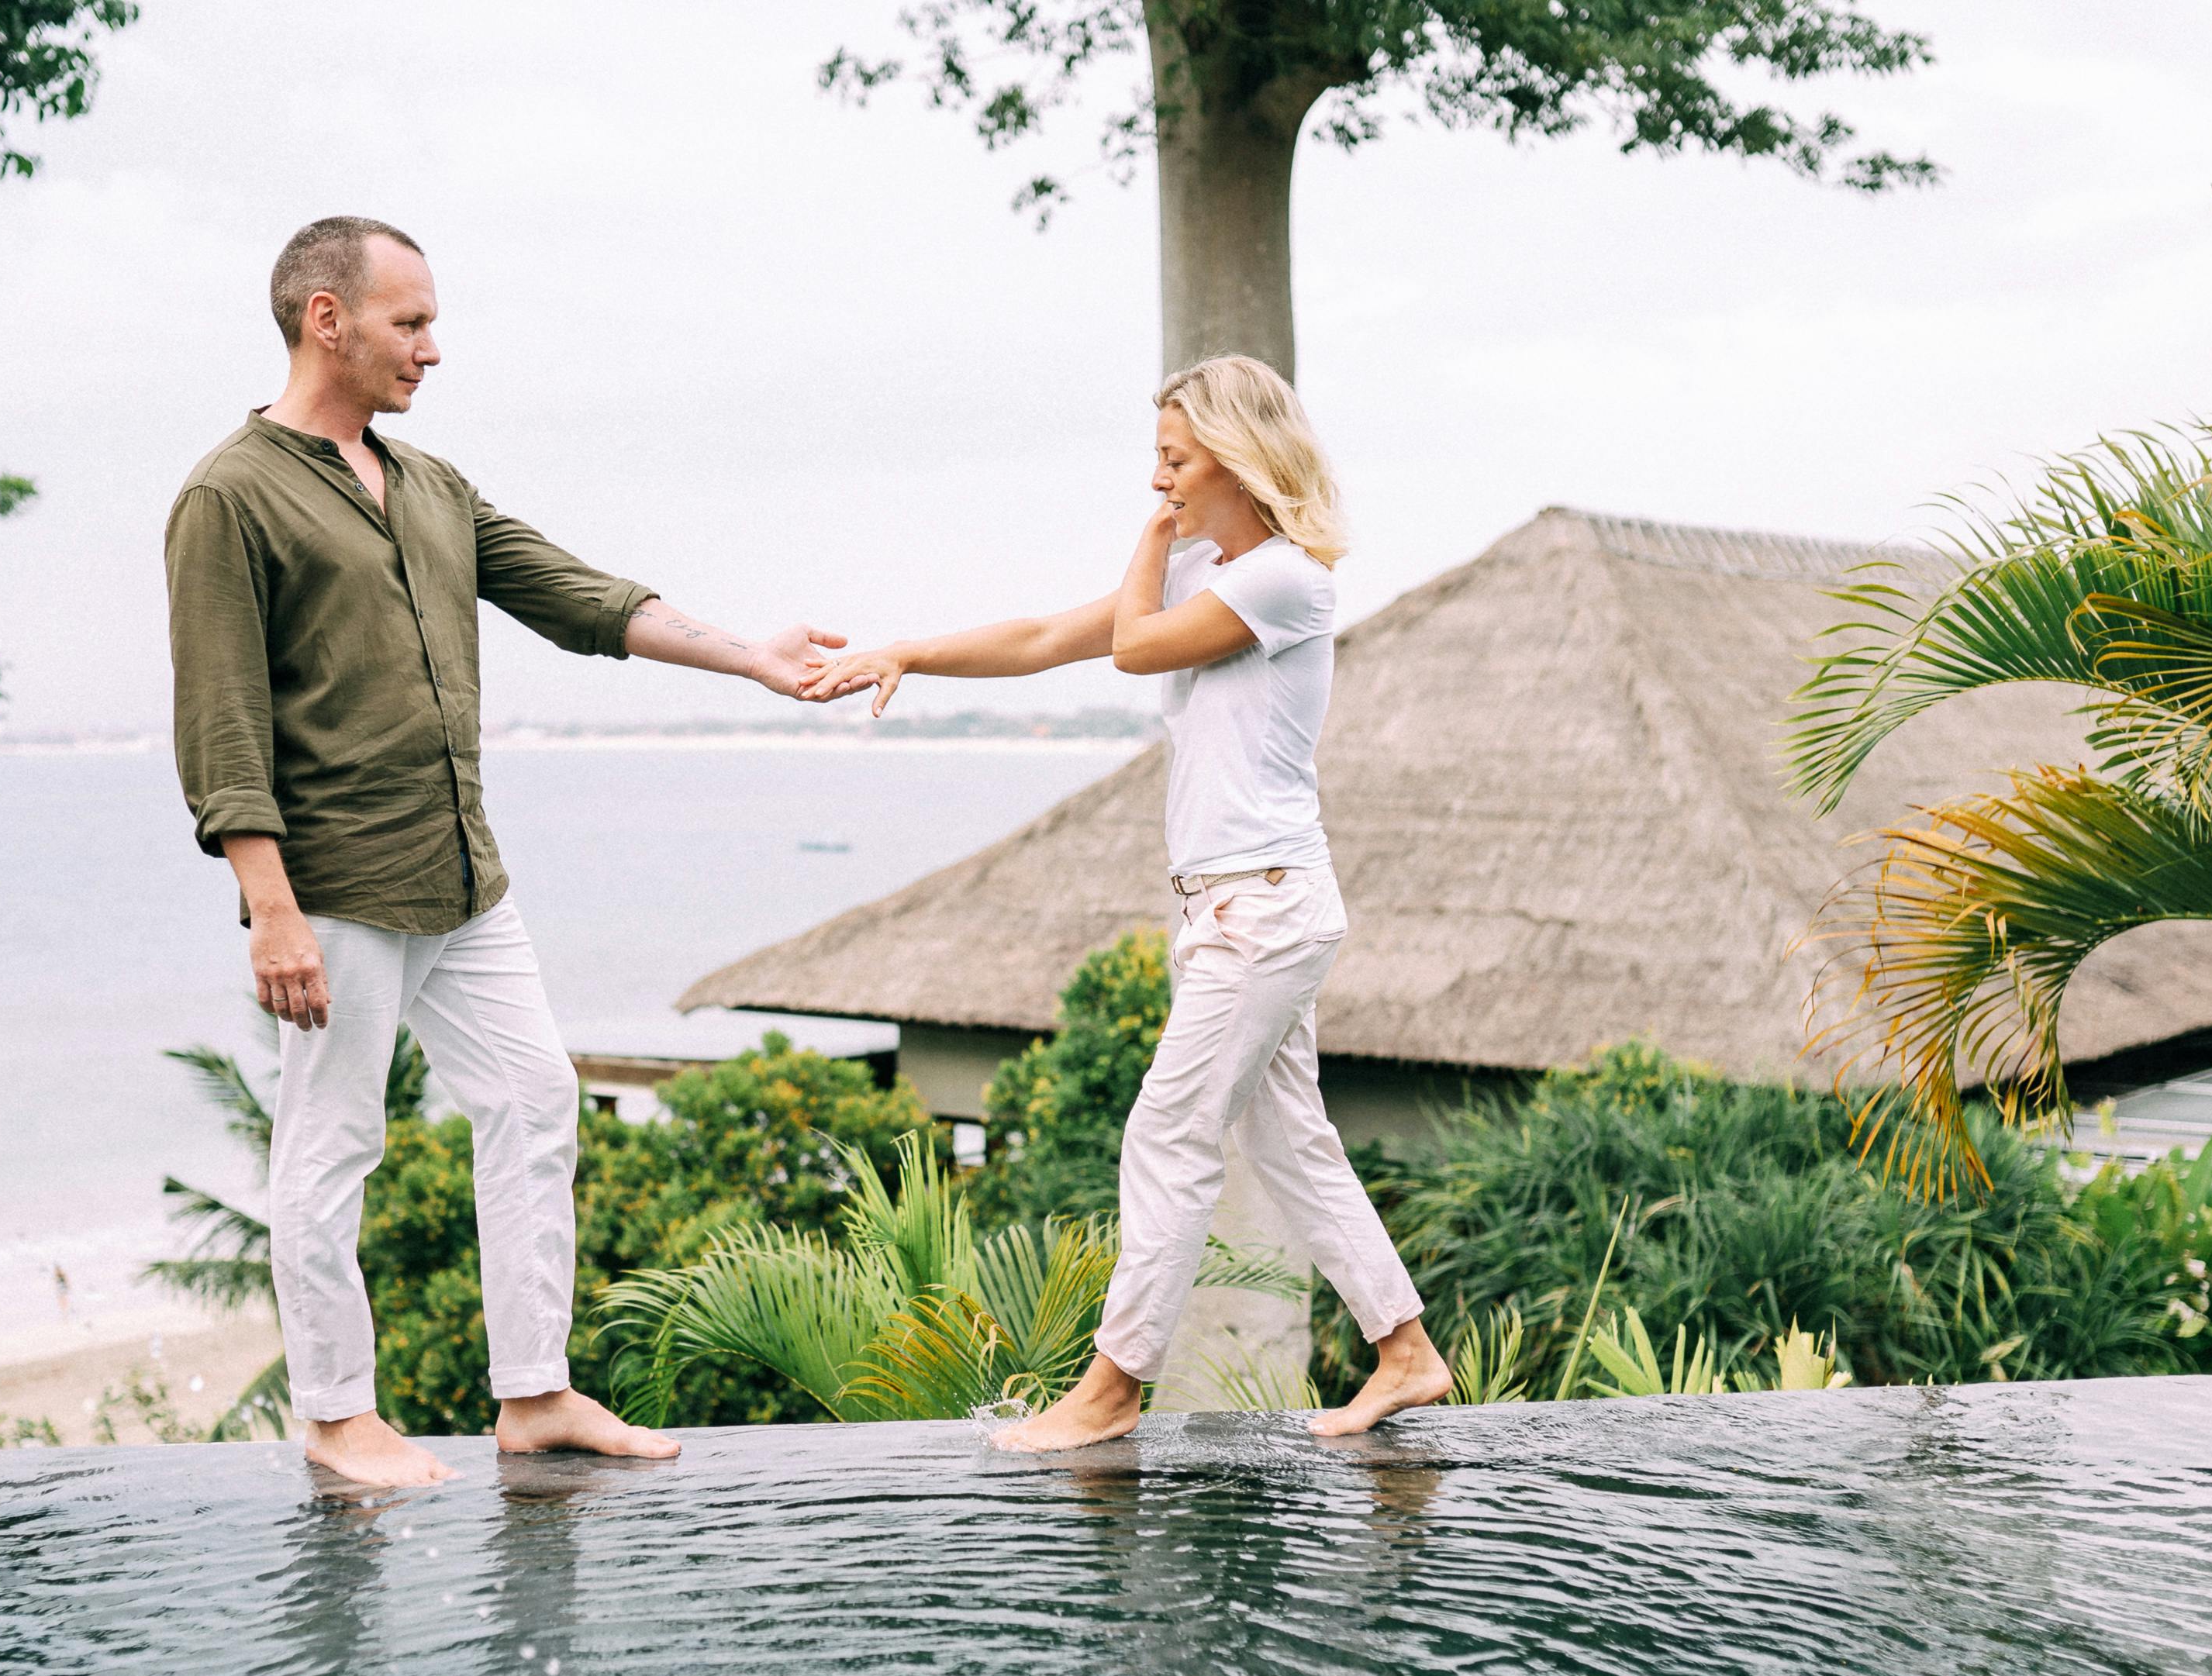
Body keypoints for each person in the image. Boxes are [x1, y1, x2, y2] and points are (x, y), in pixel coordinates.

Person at [170, 216, 844, 1488]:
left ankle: (533, 1396)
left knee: (535, 1103)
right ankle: (334, 1418)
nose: (433, 347)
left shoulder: (430, 487)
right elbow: (220, 716)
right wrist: (271, 907)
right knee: (331, 1148)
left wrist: (752, 654)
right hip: (337, 887)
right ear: (329, 319)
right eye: (410, 322)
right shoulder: (229, 494)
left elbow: (580, 596)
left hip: (466, 878)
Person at [802, 356, 1451, 1450]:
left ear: (1239, 463)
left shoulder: (1286, 579)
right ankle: (1407, 1353)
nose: (1160, 482)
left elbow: (1131, 646)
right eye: (1158, 461)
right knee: (1292, 1146)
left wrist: (1153, 540)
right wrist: (905, 648)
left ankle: (1111, 1388)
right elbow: (1046, 639)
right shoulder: (1213, 578)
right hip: (1233, 909)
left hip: (1264, 908)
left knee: (1167, 1133)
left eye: (1176, 460)